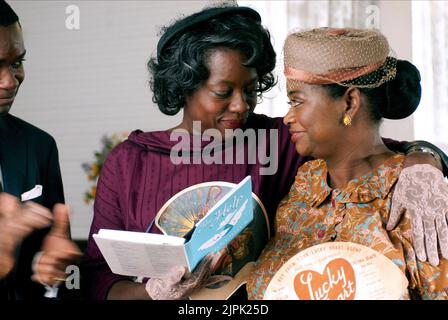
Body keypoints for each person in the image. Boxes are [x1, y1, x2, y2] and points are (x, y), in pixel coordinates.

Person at [81, 5, 448, 300]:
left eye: (251, 89)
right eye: (223, 92)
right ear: (184, 86)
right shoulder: (130, 161)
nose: (241, 106)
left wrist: (426, 159)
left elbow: (365, 148)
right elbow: (98, 278)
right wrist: (150, 294)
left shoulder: (279, 140)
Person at [246, 27, 448, 300]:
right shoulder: (305, 184)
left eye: (297, 101)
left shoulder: (419, 199)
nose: (287, 118)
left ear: (350, 102)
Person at [0, 1, 81, 300]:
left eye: (16, 62)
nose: (10, 81)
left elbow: (56, 266)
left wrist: (54, 275)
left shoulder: (38, 146)